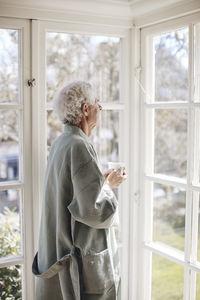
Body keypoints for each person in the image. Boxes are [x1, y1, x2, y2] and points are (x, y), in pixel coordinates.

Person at [32, 80, 127, 300]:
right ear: (85, 109)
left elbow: (72, 194)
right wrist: (110, 187)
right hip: (82, 256)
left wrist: (100, 183)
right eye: (97, 103)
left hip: (58, 250)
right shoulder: (80, 146)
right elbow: (95, 211)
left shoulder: (61, 142)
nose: (100, 108)